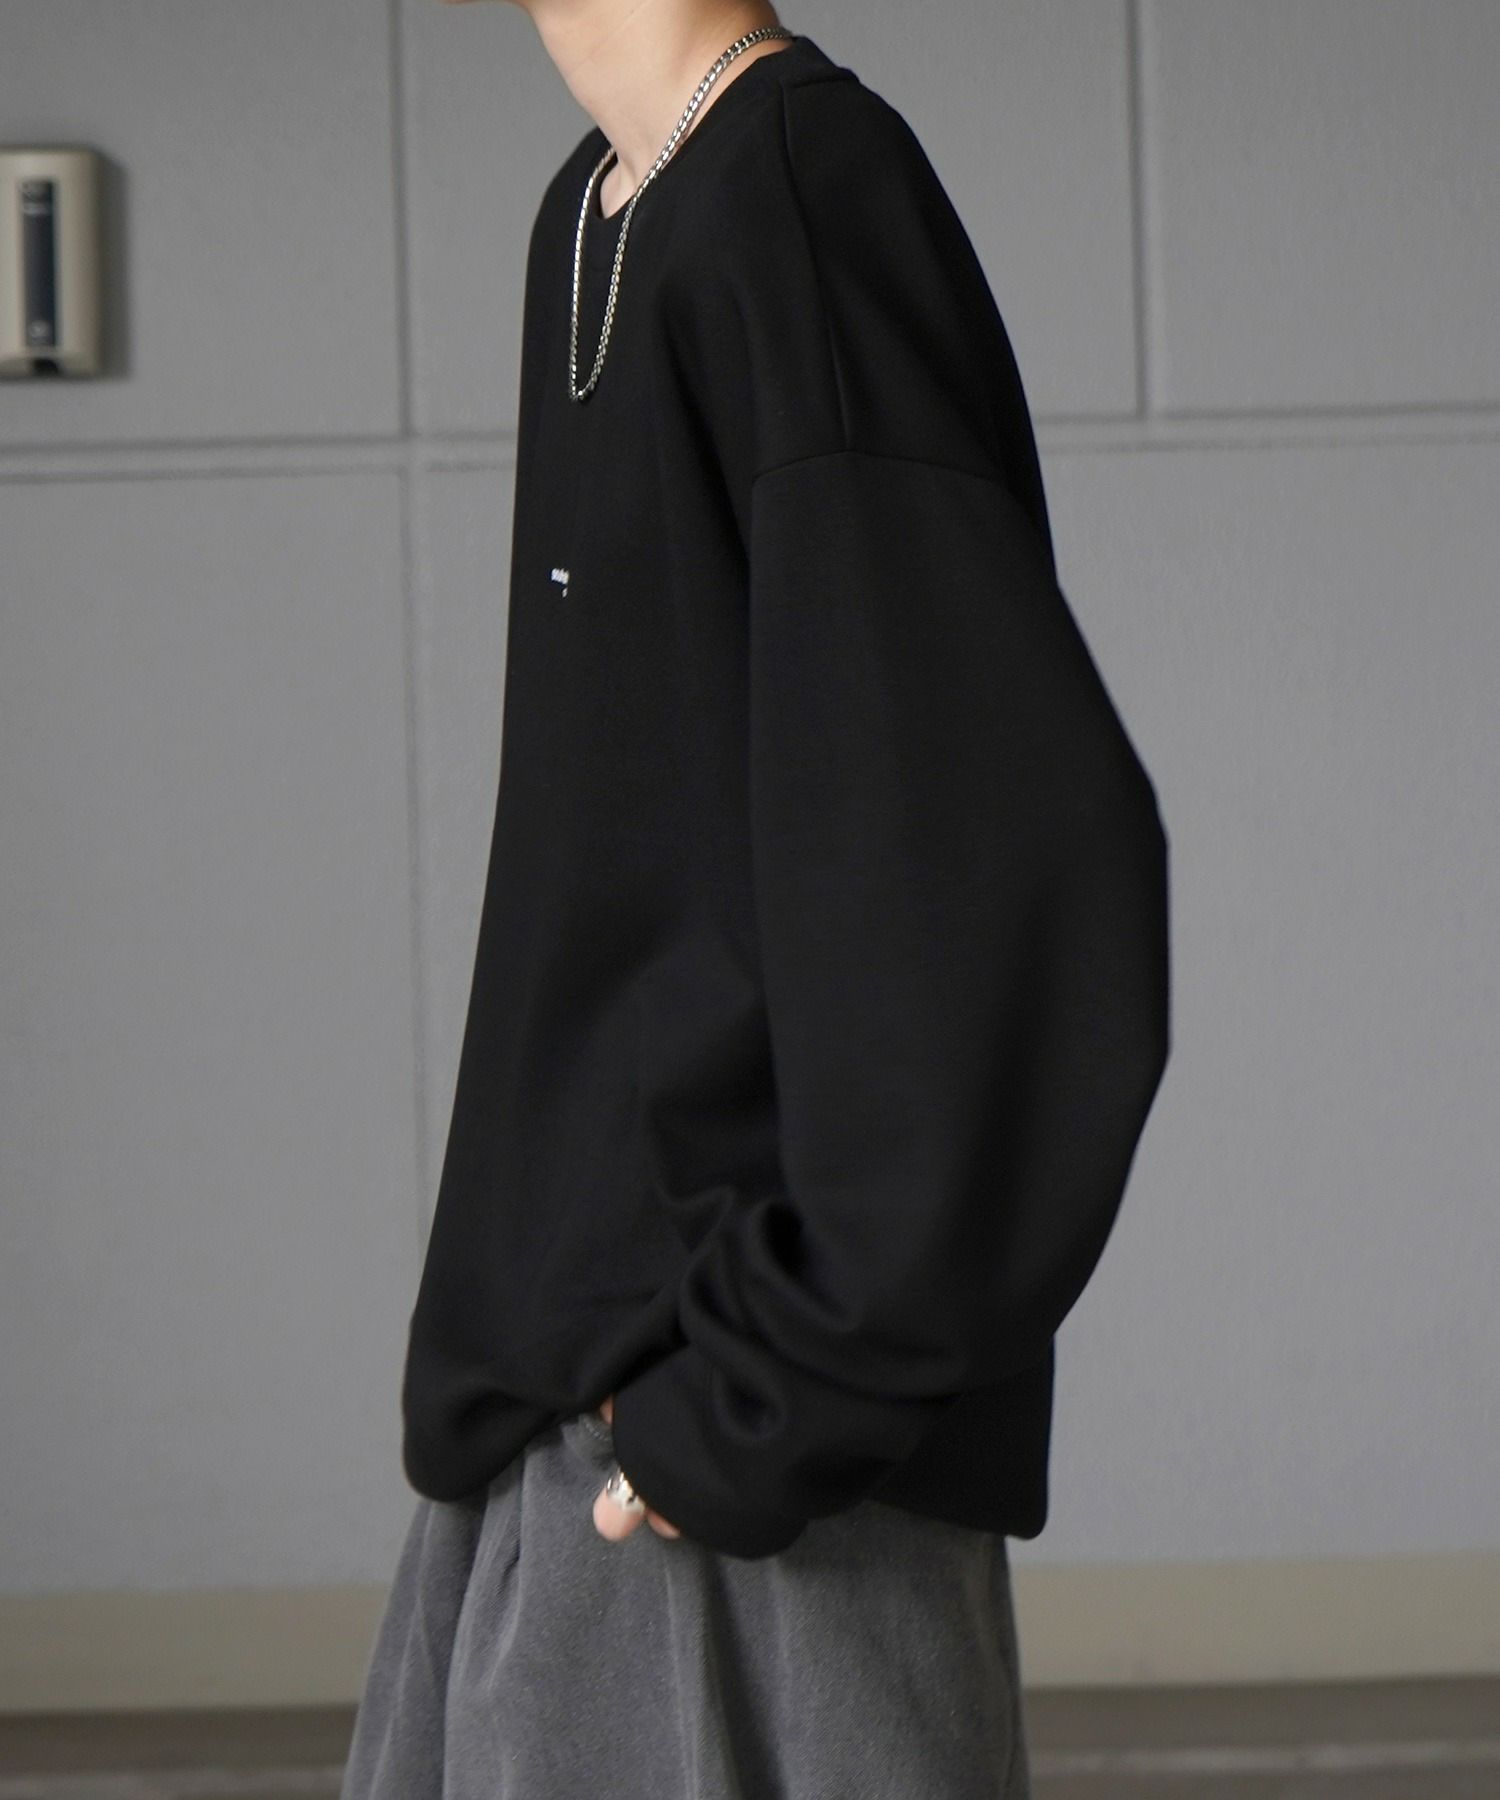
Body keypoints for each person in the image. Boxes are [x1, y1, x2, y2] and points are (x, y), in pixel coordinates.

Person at [341, 2, 1171, 1795]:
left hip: (733, 1487)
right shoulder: (604, 208)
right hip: (549, 1434)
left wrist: (776, 1394)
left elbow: (1008, 865)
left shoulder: (800, 194)